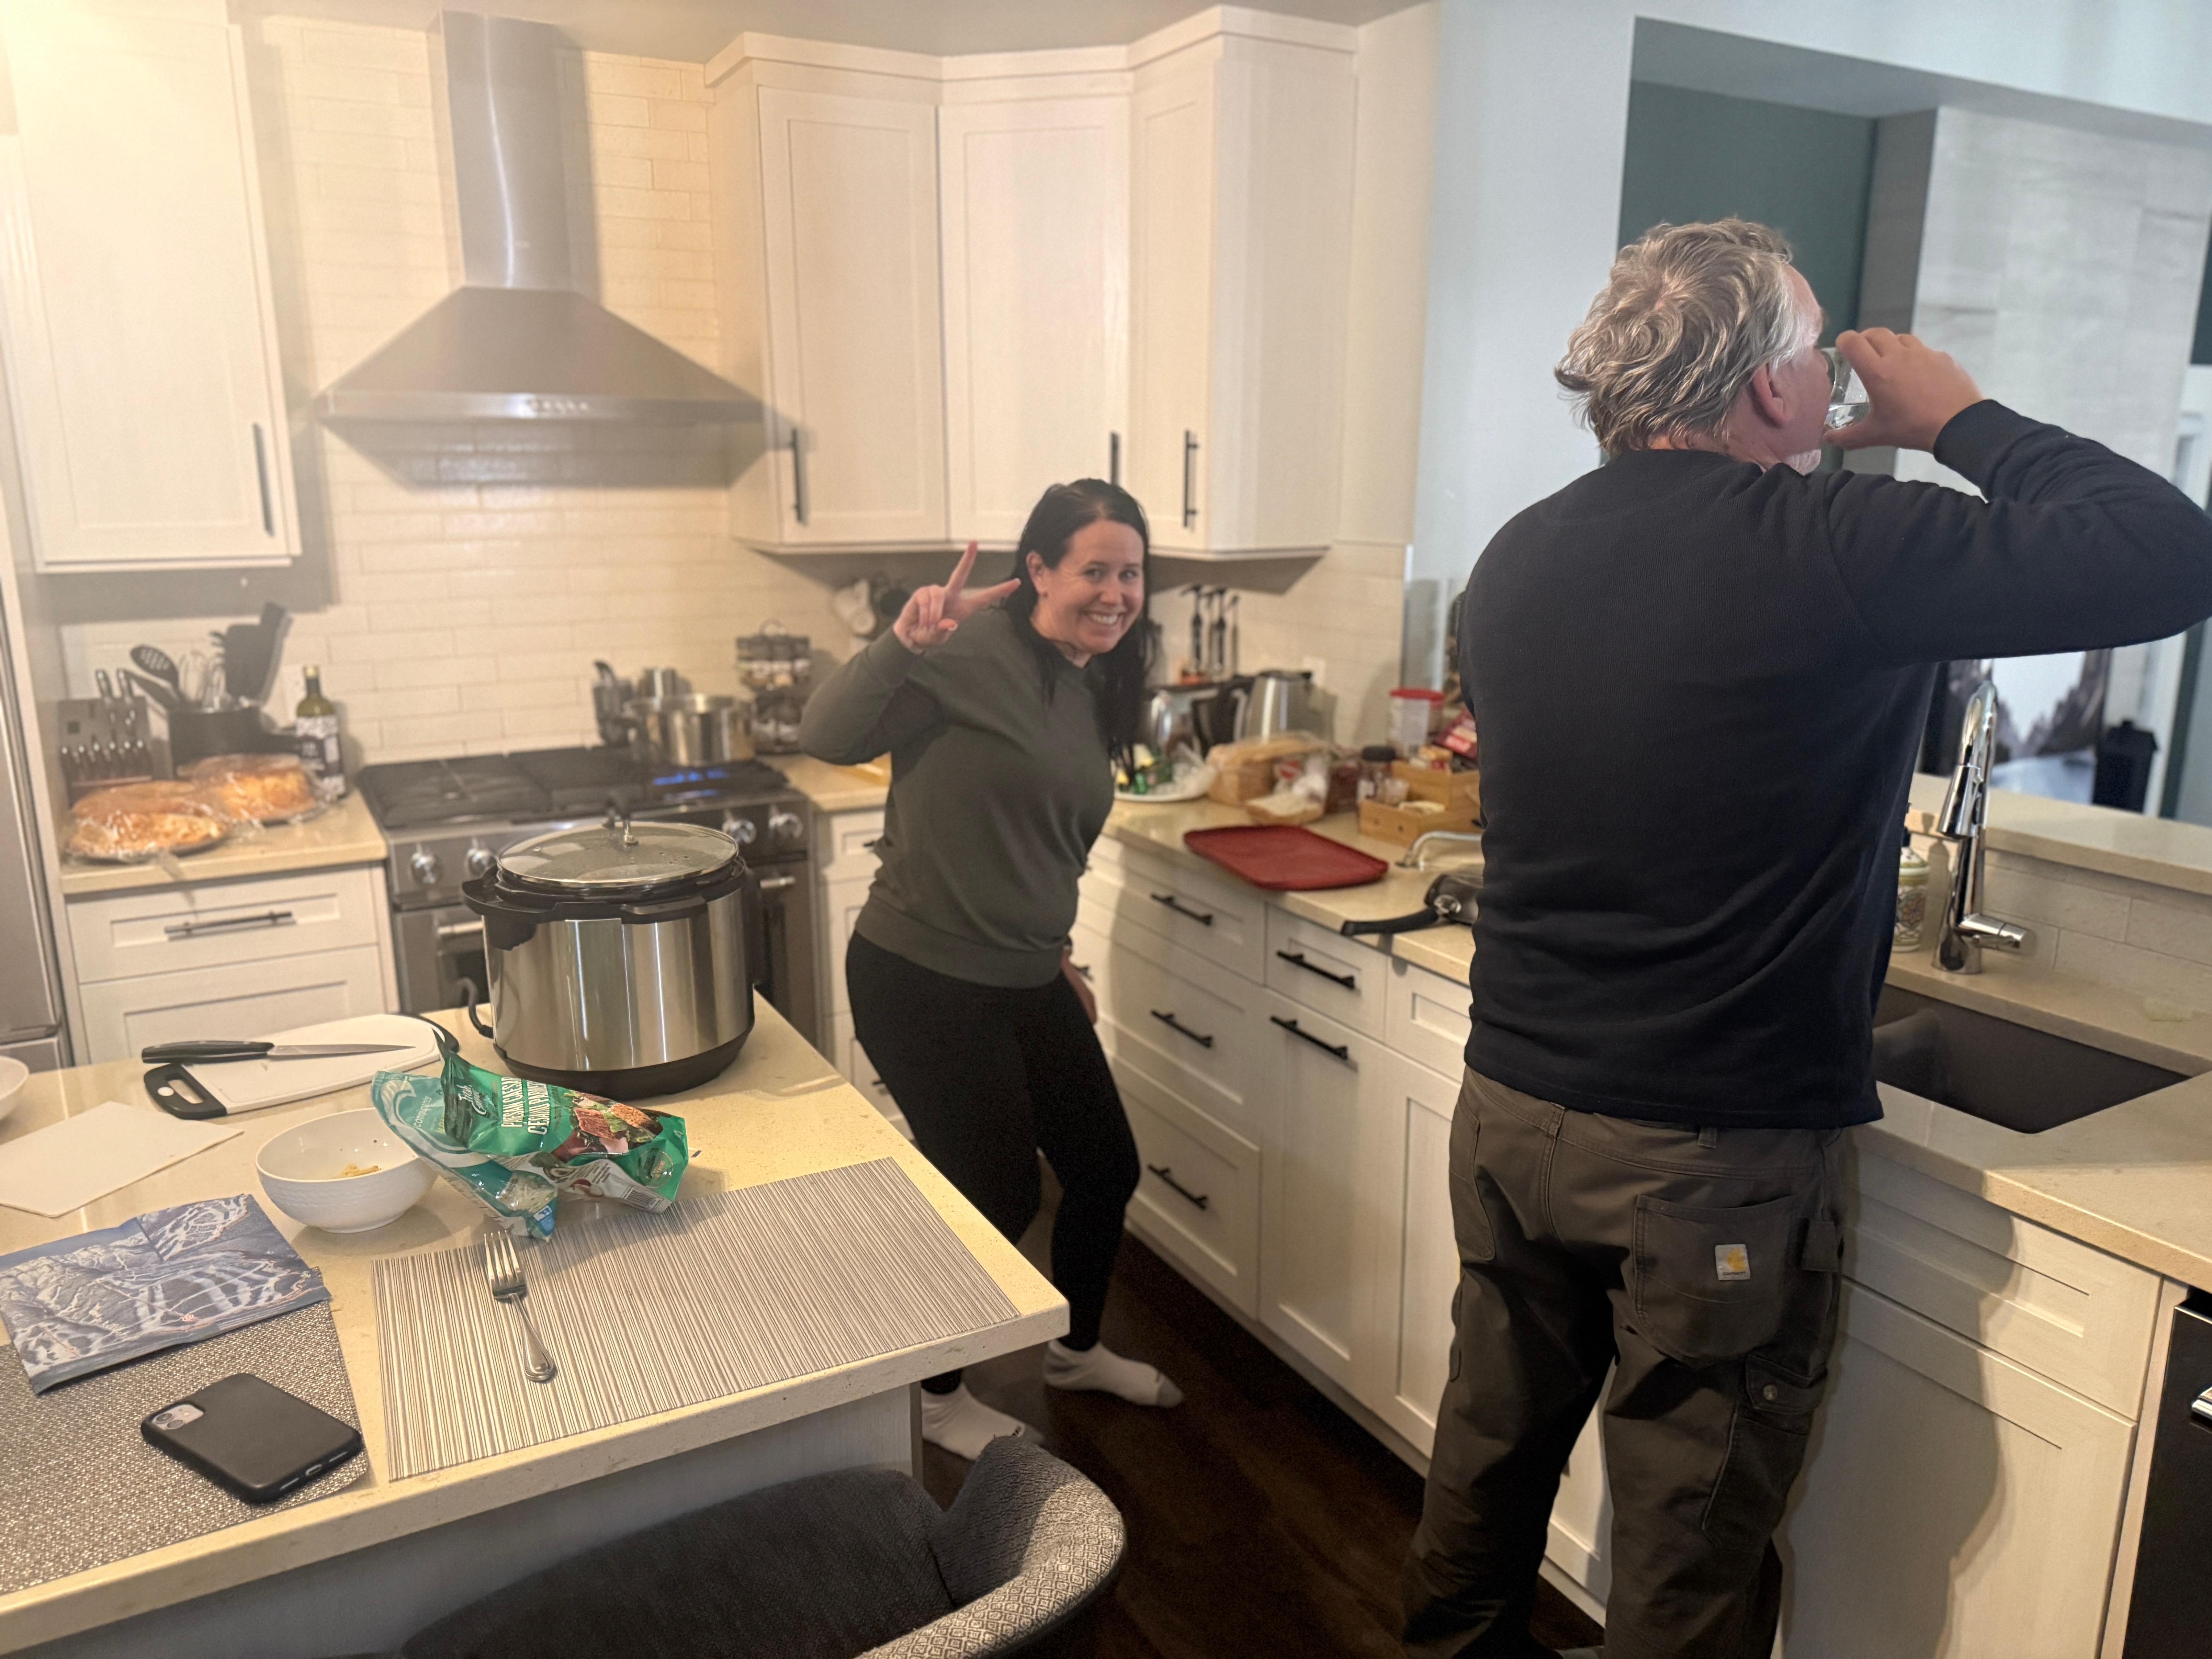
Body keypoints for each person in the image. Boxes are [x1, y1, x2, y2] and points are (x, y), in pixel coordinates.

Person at [1403, 219, 2212, 1659]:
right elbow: (2169, 555)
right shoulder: (1832, 544)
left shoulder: (1518, 554)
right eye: (1817, 353)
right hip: (1704, 1156)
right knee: (1689, 1546)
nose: (1838, 386)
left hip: (1514, 1110)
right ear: (1772, 388)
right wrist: (1957, 417)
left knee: (1489, 1458)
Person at [799, 480, 1183, 1460]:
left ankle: (1076, 1352)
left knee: (1104, 1168)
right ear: (1039, 570)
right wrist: (901, 642)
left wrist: (1059, 958)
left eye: (1131, 573)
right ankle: (934, 1395)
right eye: (1094, 570)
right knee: (994, 1192)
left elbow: (1039, 845)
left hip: (1025, 972)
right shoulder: (965, 651)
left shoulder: (1094, 677)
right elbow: (824, 735)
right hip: (919, 973)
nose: (1116, 593)